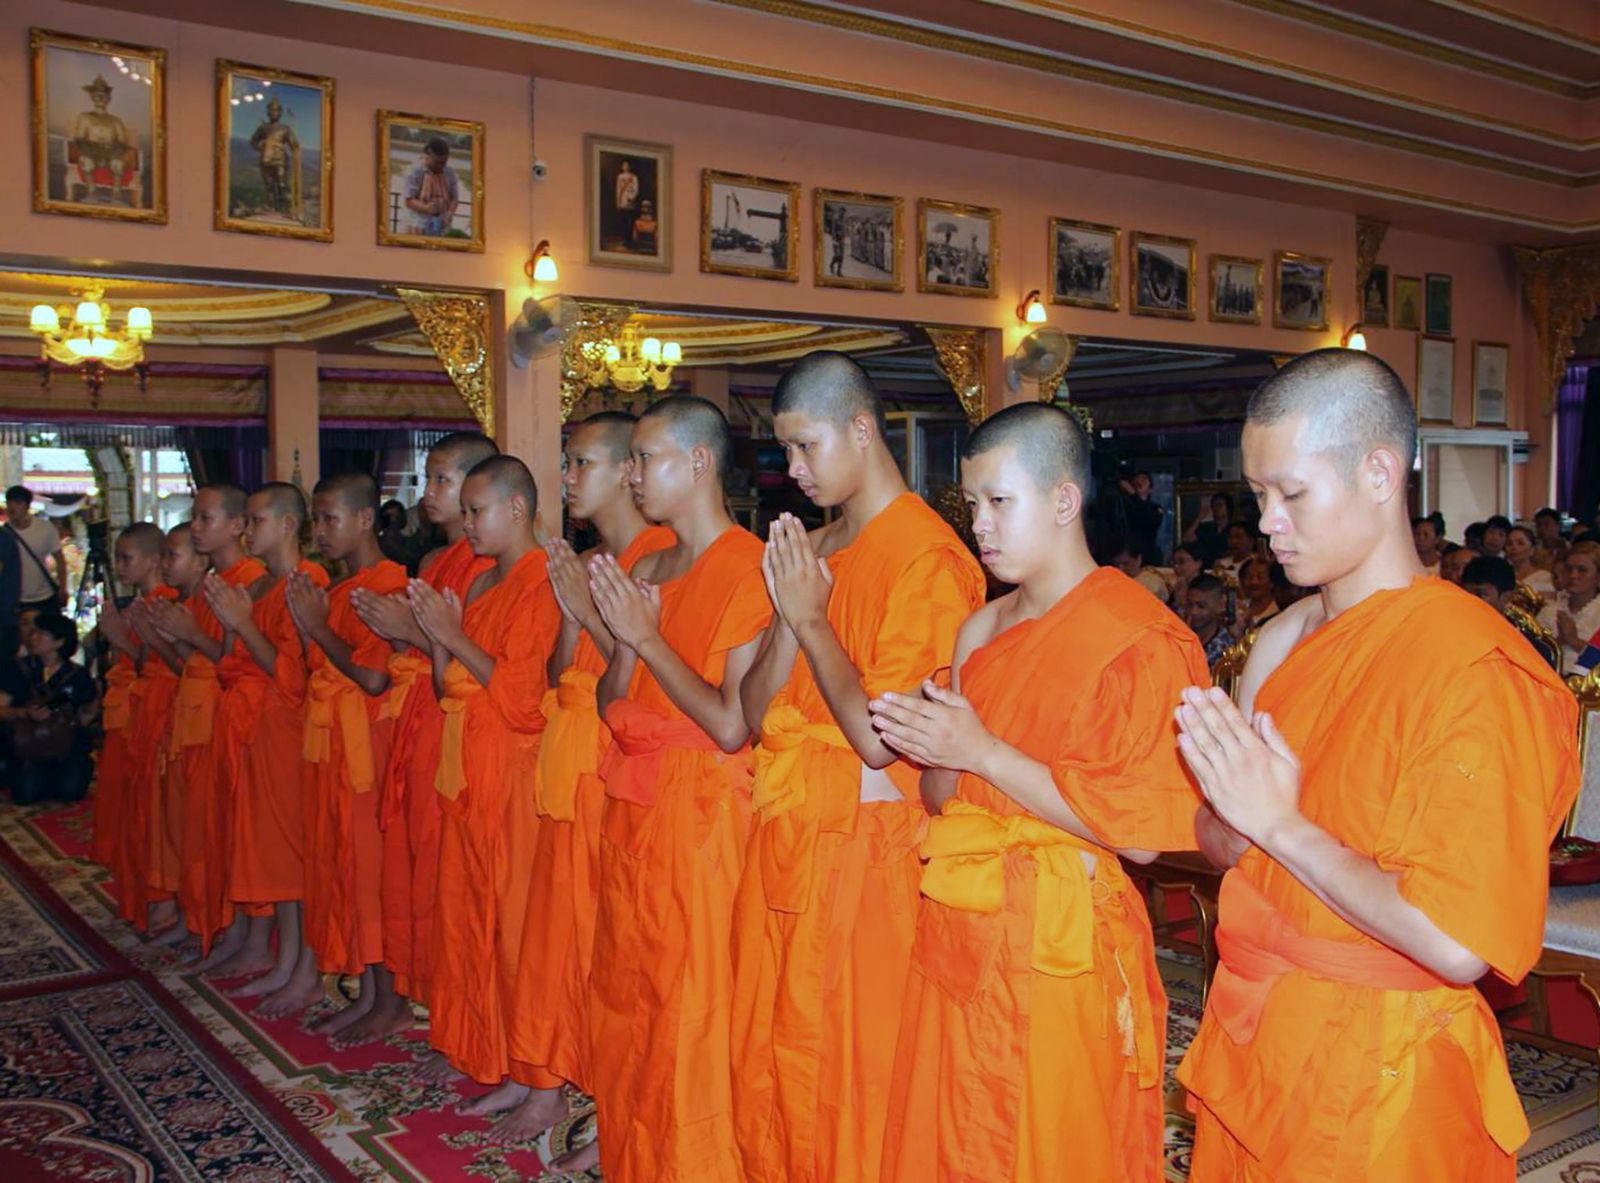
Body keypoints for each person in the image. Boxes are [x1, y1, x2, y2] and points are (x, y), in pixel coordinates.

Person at [1175, 348, 1578, 1182]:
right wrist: (1239, 821)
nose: (1268, 523)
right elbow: (1223, 839)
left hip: (1384, 1070)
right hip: (1255, 1036)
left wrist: (1277, 823)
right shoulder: (1279, 641)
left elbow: (1455, 941)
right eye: (1258, 496)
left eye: (1291, 493)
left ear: (1380, 473)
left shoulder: (1471, 666)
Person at [868, 402, 1207, 1182]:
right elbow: (942, 793)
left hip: (1062, 942)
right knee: (949, 1133)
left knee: (1051, 1144)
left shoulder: (1137, 636)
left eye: (998, 501)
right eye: (971, 504)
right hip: (962, 920)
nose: (980, 525)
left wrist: (981, 751)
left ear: (1063, 500)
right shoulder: (980, 629)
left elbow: (1137, 835)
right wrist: (946, 752)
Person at [728, 353, 984, 1183]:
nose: (793, 469)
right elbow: (755, 712)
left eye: (805, 446)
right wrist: (788, 618)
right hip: (788, 837)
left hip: (866, 855)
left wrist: (811, 621)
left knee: (851, 1065)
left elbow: (883, 737)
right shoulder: (816, 546)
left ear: (862, 429)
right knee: (773, 1047)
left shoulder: (926, 556)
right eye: (785, 451)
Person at [586, 396, 771, 1183]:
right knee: (630, 992)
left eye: (645, 458)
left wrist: (646, 637)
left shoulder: (749, 566)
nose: (633, 474)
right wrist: (631, 643)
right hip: (634, 804)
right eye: (629, 459)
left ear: (699, 462)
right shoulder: (646, 566)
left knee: (694, 1004)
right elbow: (610, 696)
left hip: (704, 819)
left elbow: (731, 723)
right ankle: (635, 1152)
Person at [497, 415, 673, 1150]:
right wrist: (572, 616)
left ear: (628, 471)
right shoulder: (593, 559)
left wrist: (585, 611)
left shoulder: (658, 556)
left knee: (608, 948)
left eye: (580, 464)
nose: (566, 479)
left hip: (616, 768)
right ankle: (545, 1071)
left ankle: (610, 1102)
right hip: (568, 763)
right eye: (565, 465)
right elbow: (559, 673)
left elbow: (650, 679)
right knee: (555, 936)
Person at [408, 456, 563, 1108]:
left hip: (515, 777)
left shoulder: (542, 583)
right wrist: (438, 637)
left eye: (477, 510)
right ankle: (489, 1052)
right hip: (467, 771)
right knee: (470, 920)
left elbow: (524, 702)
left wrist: (451, 637)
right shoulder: (478, 585)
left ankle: (541, 1083)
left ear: (517, 509)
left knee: (519, 929)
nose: (466, 523)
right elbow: (451, 681)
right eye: (465, 510)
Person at [350, 433, 497, 1062]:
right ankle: (431, 1011)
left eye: (441, 479)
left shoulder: (492, 566)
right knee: (414, 877)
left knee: (452, 889)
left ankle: (460, 1023)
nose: (427, 493)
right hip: (419, 725)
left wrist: (415, 633)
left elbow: (475, 660)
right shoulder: (435, 562)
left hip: (456, 736)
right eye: (427, 479)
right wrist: (405, 632)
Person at [275, 474, 408, 1038]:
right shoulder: (337, 590)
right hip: (334, 751)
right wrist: (315, 625)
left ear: (365, 519)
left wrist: (316, 628)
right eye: (316, 520)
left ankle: (392, 1002)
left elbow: (374, 677)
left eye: (330, 518)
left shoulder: (389, 585)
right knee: (345, 871)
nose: (320, 532)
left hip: (367, 755)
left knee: (372, 874)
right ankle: (370, 993)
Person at [201, 484, 328, 991]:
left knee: (294, 852)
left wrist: (241, 626)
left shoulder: (308, 581)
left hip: (288, 732)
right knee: (268, 850)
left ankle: (302, 967)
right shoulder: (257, 590)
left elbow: (294, 676)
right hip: (255, 729)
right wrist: (235, 622)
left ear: (288, 525)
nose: (248, 532)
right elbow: (231, 664)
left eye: (256, 522)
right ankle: (281, 959)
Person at [144, 486, 269, 957]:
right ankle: (199, 919)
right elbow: (198, 663)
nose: (195, 527)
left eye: (204, 518)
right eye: (194, 518)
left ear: (236, 526)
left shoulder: (252, 581)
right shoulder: (214, 582)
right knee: (196, 833)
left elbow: (240, 665)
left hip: (234, 722)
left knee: (232, 835)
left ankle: (238, 936)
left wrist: (192, 636)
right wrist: (170, 640)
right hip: (198, 723)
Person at [132, 524, 204, 940]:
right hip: (171, 718)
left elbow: (218, 668)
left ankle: (196, 914)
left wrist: (168, 641)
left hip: (203, 723)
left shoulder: (212, 601)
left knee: (194, 826)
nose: (164, 564)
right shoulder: (174, 603)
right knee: (168, 819)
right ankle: (175, 905)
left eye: (171, 556)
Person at [90, 524, 167, 904]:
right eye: (117, 558)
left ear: (153, 560)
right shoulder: (140, 603)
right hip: (129, 717)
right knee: (128, 807)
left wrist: (120, 637)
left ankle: (157, 898)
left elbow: (161, 669)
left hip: (155, 718)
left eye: (126, 558)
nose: (119, 566)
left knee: (150, 812)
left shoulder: (164, 604)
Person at [1, 612, 98, 804]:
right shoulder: (19, 669)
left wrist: (70, 725)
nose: (34, 637)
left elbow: (90, 708)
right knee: (25, 794)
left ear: (59, 642)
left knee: (70, 791)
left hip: (65, 746)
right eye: (34, 632)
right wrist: (24, 713)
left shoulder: (76, 675)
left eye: (41, 633)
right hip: (28, 747)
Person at [1460, 555, 1561, 671]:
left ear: (1506, 596)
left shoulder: (1531, 649)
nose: (1472, 600)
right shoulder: (1453, 634)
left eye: (1481, 594)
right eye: (1467, 594)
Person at [1540, 541, 1600, 674]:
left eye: (1582, 570)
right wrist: (1558, 641)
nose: (1573, 575)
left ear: (1598, 577)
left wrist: (1573, 640)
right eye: (1569, 569)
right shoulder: (1548, 611)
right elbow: (1533, 654)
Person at [5, 486, 66, 615]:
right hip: (15, 599)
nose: (12, 507)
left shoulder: (45, 528)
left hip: (45, 596)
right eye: (9, 502)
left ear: (27, 506)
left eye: (18, 502)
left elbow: (60, 560)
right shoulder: (4, 534)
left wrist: (63, 588)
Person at [402, 137, 460, 237]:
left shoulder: (450, 172)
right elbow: (409, 201)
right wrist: (426, 208)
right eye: (437, 162)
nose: (441, 166)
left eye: (444, 162)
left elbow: (454, 199)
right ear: (427, 157)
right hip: (416, 223)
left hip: (442, 224)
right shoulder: (414, 170)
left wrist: (450, 214)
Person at [1184, 573, 1236, 666]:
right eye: (1190, 604)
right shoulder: (1181, 636)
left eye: (1201, 606)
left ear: (1220, 606)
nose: (1193, 611)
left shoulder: (1226, 647)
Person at [1232, 556, 1283, 635]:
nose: (1254, 582)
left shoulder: (1279, 611)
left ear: (1272, 583)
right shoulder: (1238, 608)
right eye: (1249, 577)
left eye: (1260, 577)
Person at [1183, 492, 1233, 567]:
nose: (1216, 508)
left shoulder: (1233, 528)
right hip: (1204, 566)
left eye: (1219, 505)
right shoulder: (1206, 527)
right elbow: (1186, 538)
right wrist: (1199, 517)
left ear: (1228, 508)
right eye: (1213, 506)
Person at [1504, 525, 1554, 598]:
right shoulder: (1501, 576)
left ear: (1532, 549)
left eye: (1520, 543)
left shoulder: (1545, 577)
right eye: (1509, 543)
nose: (1514, 547)